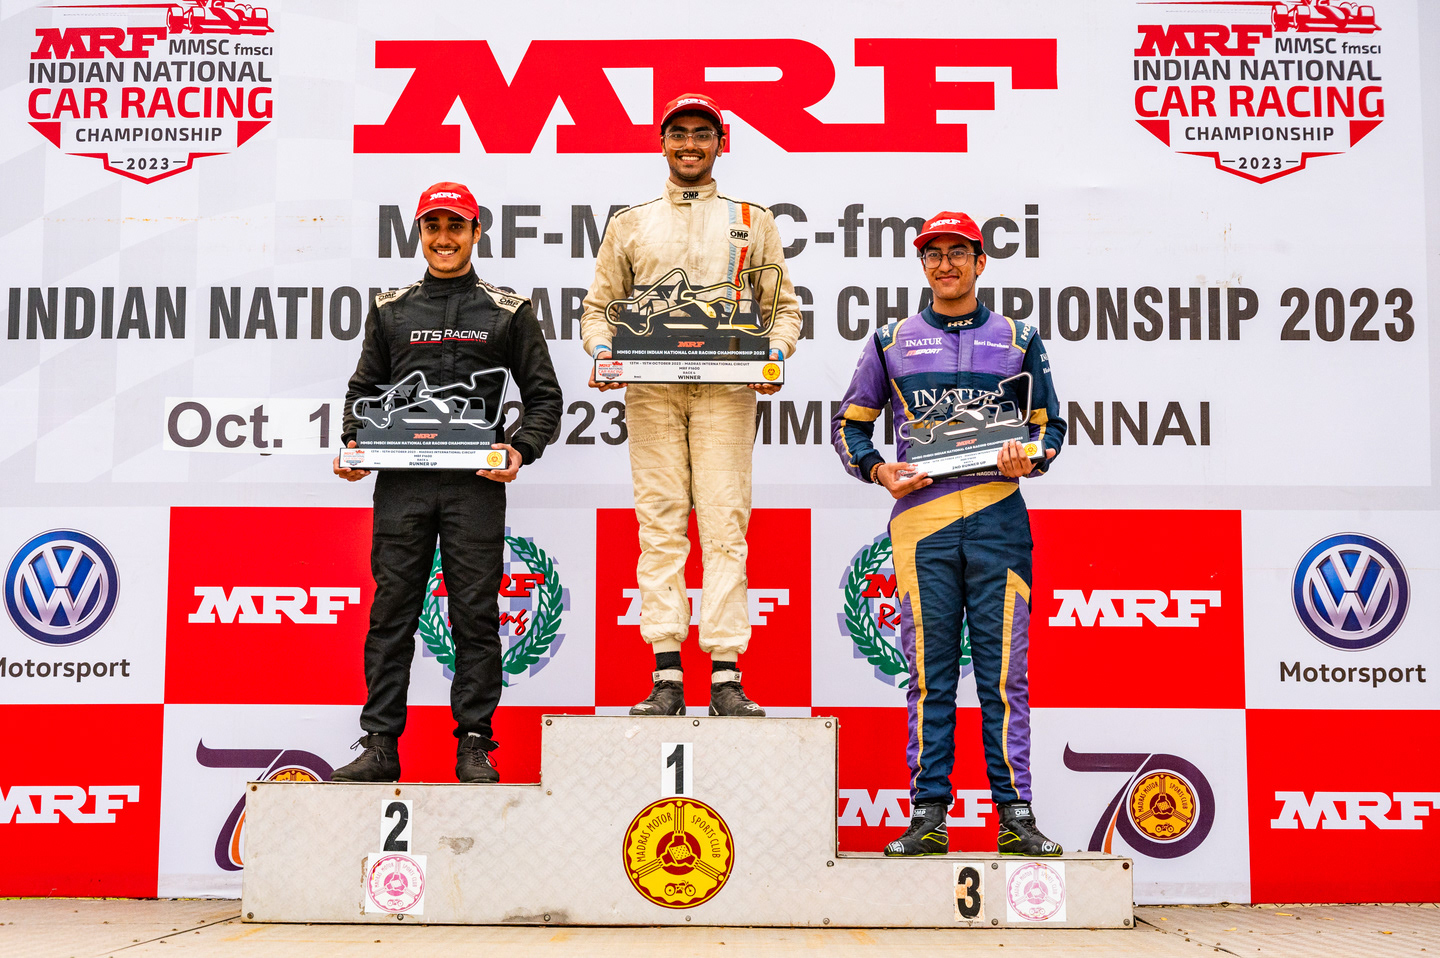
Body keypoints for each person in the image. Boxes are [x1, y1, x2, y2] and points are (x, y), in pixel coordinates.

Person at [830, 211, 1066, 856]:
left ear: (980, 261)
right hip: (923, 525)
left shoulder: (1018, 337)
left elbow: (1050, 427)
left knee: (1004, 678)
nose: (945, 265)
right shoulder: (891, 340)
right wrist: (878, 469)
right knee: (930, 677)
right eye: (933, 254)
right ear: (922, 264)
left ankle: (1015, 817)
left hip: (998, 518)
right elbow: (849, 425)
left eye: (957, 252)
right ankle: (928, 817)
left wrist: (1031, 457)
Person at [330, 181, 563, 783]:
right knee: (392, 613)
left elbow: (544, 398)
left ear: (476, 232)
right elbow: (362, 392)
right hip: (402, 485)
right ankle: (380, 745)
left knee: (475, 616)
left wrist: (519, 449)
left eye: (455, 226)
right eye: (432, 227)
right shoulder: (391, 308)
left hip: (473, 486)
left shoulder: (508, 310)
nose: (443, 238)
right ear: (419, 234)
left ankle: (475, 743)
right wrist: (355, 445)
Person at [582, 93, 802, 717]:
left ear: (720, 143)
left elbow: (783, 311)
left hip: (726, 391)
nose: (689, 144)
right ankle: (667, 675)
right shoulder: (630, 223)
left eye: (702, 133)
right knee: (660, 525)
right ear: (662, 143)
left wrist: (773, 354)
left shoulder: (752, 220)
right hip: (652, 391)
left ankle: (726, 674)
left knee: (725, 526)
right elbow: (598, 311)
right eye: (678, 133)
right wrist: (604, 353)